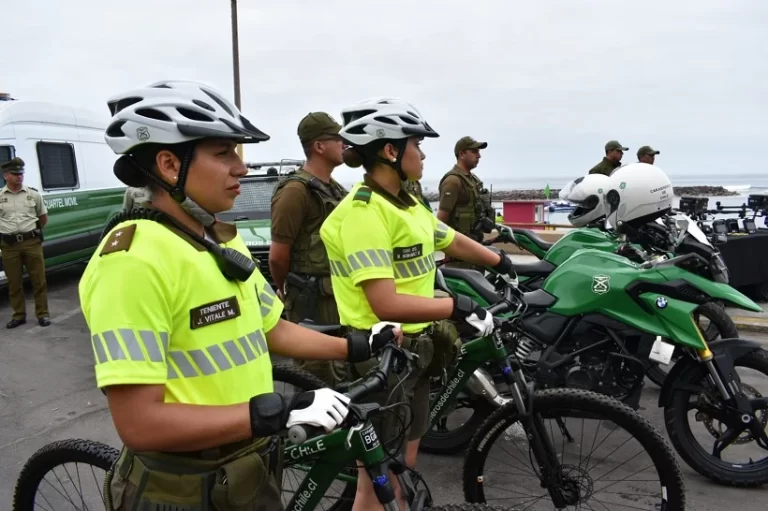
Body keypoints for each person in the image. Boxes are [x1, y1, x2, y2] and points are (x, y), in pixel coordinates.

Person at [79, 80, 401, 511]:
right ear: (170, 164)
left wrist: (358, 343)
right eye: (224, 153)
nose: (242, 168)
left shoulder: (220, 243)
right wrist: (273, 412)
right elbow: (140, 424)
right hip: (184, 489)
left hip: (246, 465)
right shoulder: (132, 261)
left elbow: (275, 328)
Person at [320, 98, 515, 511]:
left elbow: (446, 236)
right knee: (377, 481)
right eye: (417, 144)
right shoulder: (363, 214)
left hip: (415, 353)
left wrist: (500, 260)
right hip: (381, 357)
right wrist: (454, 306)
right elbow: (383, 301)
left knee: (404, 469)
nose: (423, 153)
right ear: (391, 151)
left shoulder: (405, 202)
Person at [269, 111, 348, 386]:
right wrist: (287, 288)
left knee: (343, 374)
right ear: (319, 146)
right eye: (337, 138)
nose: (344, 143)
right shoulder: (295, 191)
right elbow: (278, 256)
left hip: (338, 295)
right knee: (319, 379)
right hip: (311, 299)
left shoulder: (335, 189)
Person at [0, 157, 51, 328]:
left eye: (21, 173)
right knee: (14, 283)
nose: (19, 176)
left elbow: (43, 218)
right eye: (15, 174)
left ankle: (42, 314)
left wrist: (32, 232)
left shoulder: (33, 194)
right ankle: (19, 315)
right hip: (9, 246)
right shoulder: (0, 196)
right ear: (6, 175)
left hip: (31, 243)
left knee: (39, 280)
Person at [436, 136, 496, 271]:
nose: (479, 156)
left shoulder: (473, 180)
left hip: (475, 246)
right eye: (474, 151)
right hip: (459, 253)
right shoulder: (453, 181)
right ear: (462, 154)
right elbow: (441, 220)